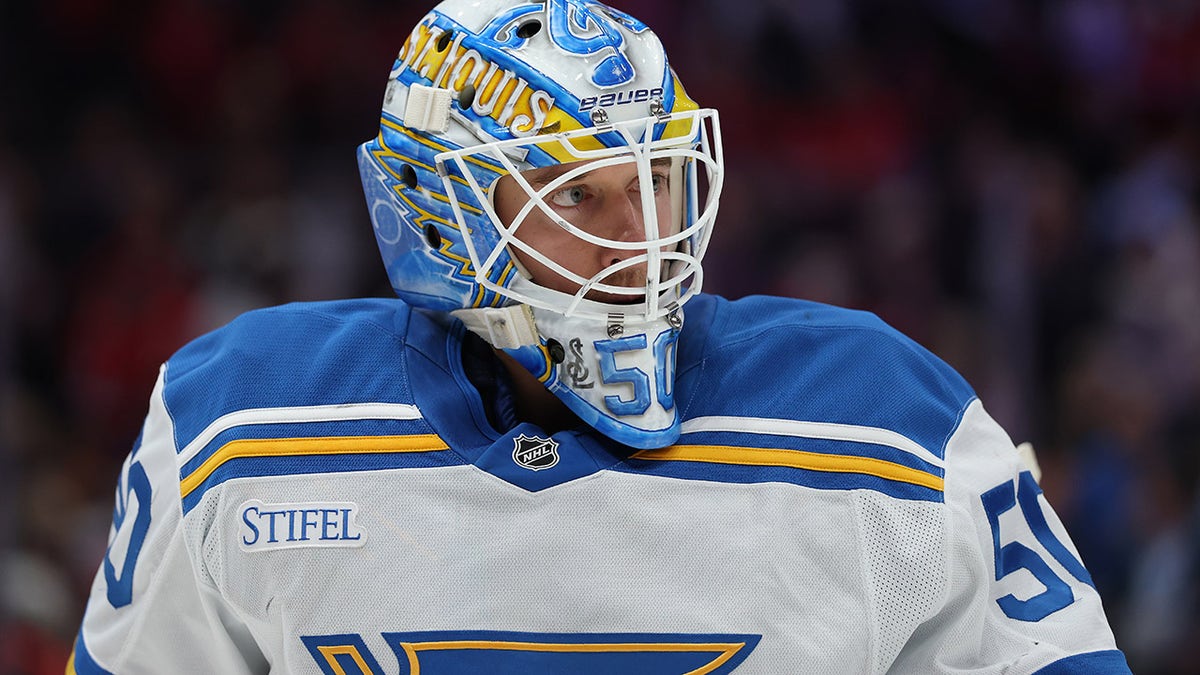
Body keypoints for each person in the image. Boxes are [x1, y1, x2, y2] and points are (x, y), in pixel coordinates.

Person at [69, 0, 1131, 672]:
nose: (647, 240)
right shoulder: (235, 423)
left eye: (657, 182)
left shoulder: (892, 420)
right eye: (581, 200)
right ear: (442, 212)